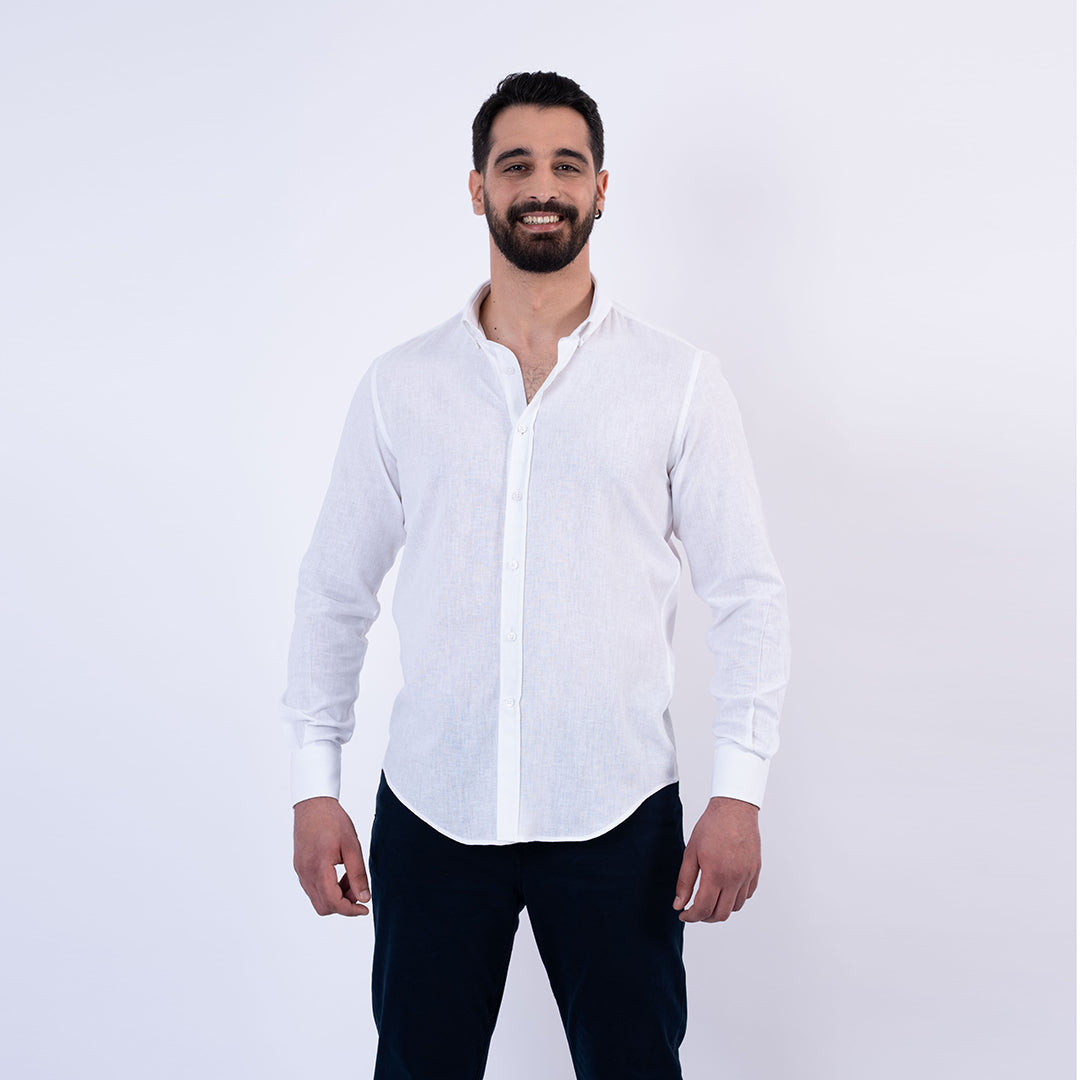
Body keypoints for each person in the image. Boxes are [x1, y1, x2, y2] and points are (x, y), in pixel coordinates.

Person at [282, 71, 790, 1080]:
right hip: (433, 810)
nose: (542, 187)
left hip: (618, 815)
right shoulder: (401, 387)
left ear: (601, 188)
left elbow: (746, 595)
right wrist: (313, 785)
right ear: (478, 187)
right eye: (516, 165)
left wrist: (740, 793)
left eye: (567, 165)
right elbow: (335, 592)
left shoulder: (679, 383)